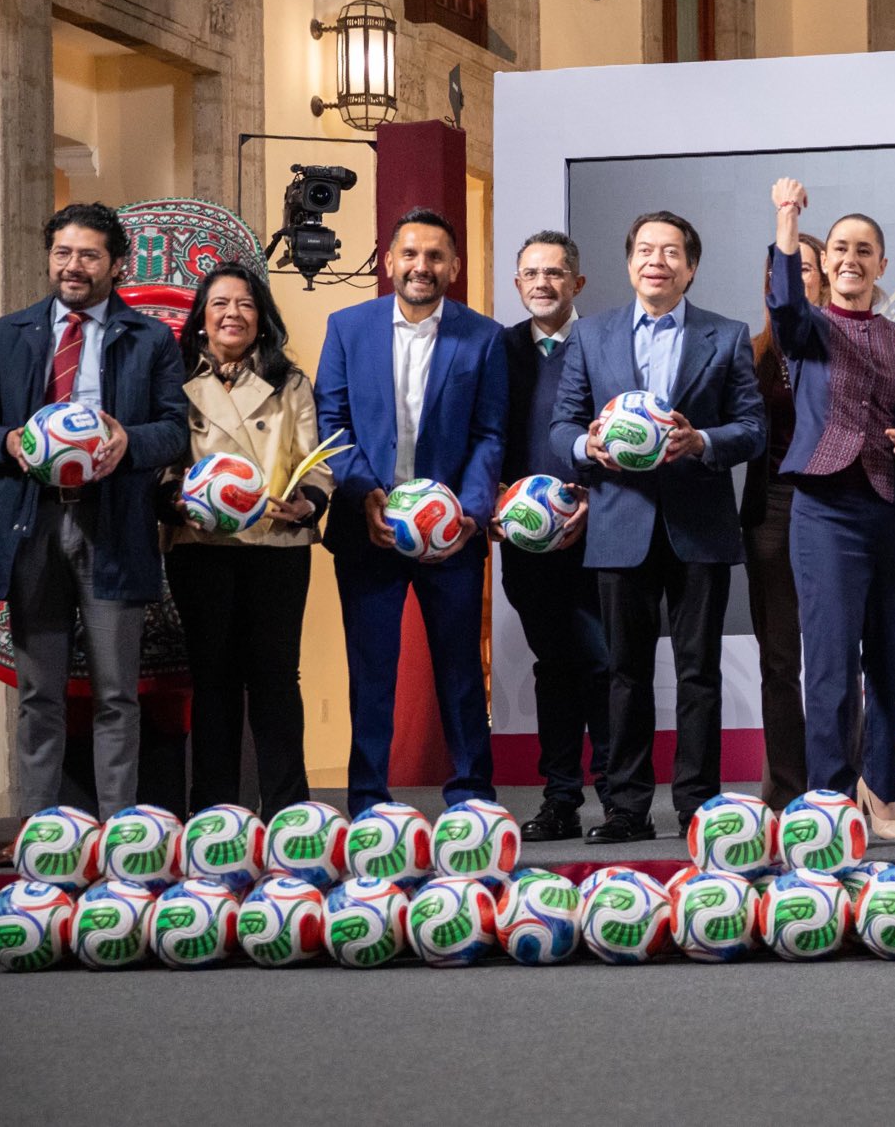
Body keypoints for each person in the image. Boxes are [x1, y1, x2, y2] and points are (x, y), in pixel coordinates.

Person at [551, 212, 764, 844]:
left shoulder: (725, 336)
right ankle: (626, 807)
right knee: (625, 672)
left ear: (690, 267)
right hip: (619, 526)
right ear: (629, 263)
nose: (657, 261)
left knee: (699, 672)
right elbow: (563, 425)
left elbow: (751, 428)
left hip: (698, 526)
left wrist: (701, 440)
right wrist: (589, 449)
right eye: (646, 250)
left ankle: (698, 804)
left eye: (672, 253)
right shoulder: (590, 335)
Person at [0, 204, 184, 849]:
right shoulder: (8, 334)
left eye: (88, 255)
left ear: (115, 263)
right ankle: (38, 838)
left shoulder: (152, 339)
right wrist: (11, 441)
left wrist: (128, 440)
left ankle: (118, 842)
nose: (73, 267)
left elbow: (175, 432)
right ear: (49, 257)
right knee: (39, 695)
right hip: (33, 527)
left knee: (115, 694)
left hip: (115, 529)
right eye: (63, 254)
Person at [316, 208, 507, 818]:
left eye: (435, 256)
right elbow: (331, 423)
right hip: (367, 529)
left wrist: (471, 514)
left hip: (452, 538)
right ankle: (369, 800)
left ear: (454, 266)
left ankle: (472, 797)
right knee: (372, 674)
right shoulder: (347, 327)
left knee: (459, 673)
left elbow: (489, 434)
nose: (421, 266)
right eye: (410, 254)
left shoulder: (485, 338)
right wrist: (363, 493)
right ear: (390, 261)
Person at [767, 178, 895, 842]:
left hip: (888, 511)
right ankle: (829, 800)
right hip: (823, 511)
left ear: (882, 264)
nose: (851, 258)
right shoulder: (805, 329)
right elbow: (783, 296)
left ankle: (882, 787)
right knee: (833, 662)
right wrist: (788, 218)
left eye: (864, 249)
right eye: (840, 247)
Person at [164, 263, 331, 818]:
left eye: (245, 304)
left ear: (262, 320)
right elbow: (163, 461)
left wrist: (309, 500)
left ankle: (289, 814)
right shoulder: (175, 381)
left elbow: (317, 460)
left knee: (277, 681)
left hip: (276, 546)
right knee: (212, 682)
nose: (232, 313)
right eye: (219, 304)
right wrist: (175, 502)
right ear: (201, 319)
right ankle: (213, 815)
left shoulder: (291, 382)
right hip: (200, 546)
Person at [494, 231, 608, 842]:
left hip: (596, 534)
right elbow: (484, 432)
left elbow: (621, 435)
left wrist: (593, 498)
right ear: (518, 284)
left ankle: (619, 798)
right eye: (531, 273)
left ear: (577, 283)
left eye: (556, 273)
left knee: (604, 664)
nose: (542, 283)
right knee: (555, 666)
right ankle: (560, 798)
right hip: (524, 541)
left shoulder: (602, 343)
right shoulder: (499, 348)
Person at [738, 231, 828, 811]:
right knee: (779, 660)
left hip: (835, 508)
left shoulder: (845, 344)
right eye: (777, 273)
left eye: (803, 269)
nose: (790, 281)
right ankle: (787, 794)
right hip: (770, 508)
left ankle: (838, 786)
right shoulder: (749, 351)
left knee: (836, 656)